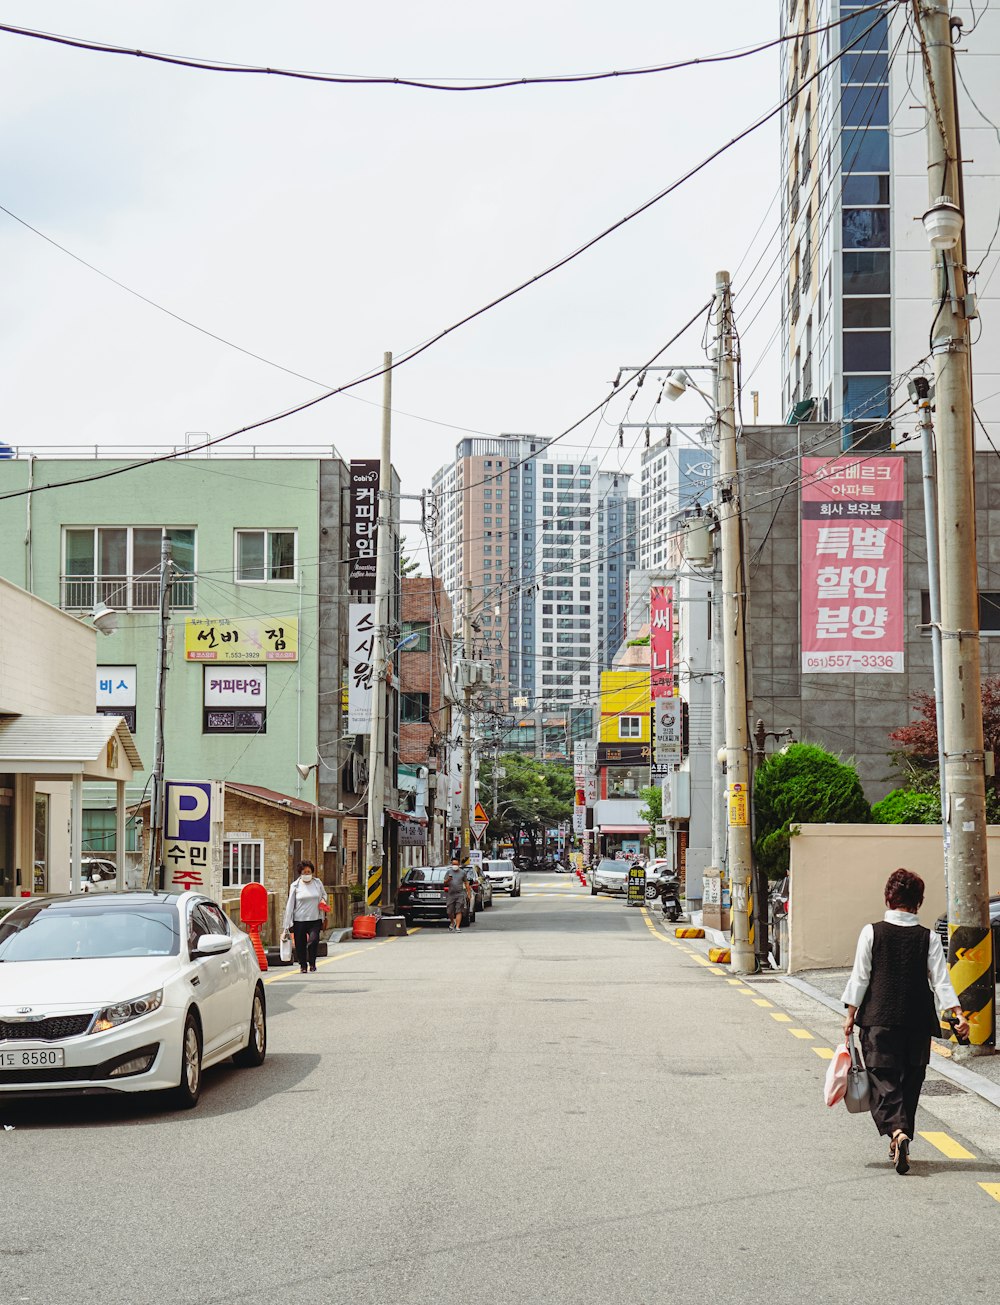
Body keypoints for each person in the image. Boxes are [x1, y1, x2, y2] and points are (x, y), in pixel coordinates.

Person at [842, 867, 970, 1175]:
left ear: (888, 898)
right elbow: (940, 980)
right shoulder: (926, 937)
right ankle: (903, 1136)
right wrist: (958, 1014)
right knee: (910, 1083)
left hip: (879, 1019)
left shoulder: (872, 932)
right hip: (917, 1021)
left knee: (882, 1080)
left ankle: (897, 1133)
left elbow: (861, 976)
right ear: (919, 902)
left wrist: (849, 1015)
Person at [281, 860, 327, 973]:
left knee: (313, 941)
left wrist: (323, 900)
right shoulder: (295, 886)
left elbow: (324, 894)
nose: (307, 874)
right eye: (304, 872)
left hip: (315, 919)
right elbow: (290, 905)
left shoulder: (317, 883)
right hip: (299, 920)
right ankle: (302, 965)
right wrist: (286, 926)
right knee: (300, 944)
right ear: (300, 873)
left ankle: (312, 963)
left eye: (309, 872)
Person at [444, 856, 471, 933]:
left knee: (458, 911)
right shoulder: (448, 872)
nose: (454, 866)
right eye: (453, 864)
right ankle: (452, 922)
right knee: (449, 911)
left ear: (458, 864)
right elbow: (444, 883)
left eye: (456, 864)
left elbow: (466, 883)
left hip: (460, 894)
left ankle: (458, 927)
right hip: (451, 894)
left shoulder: (463, 872)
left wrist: (469, 894)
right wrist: (448, 880)